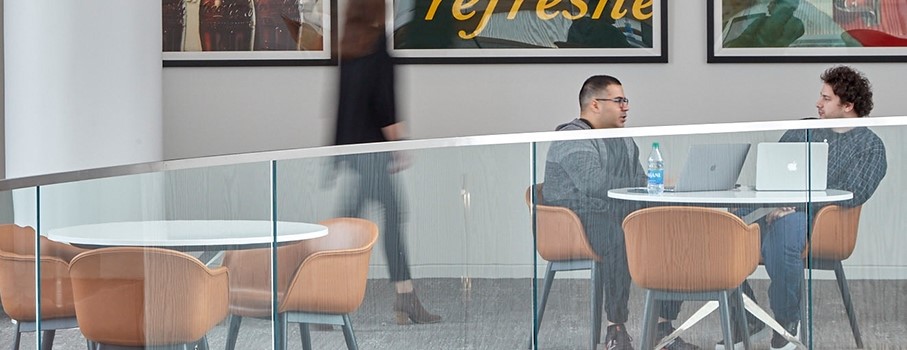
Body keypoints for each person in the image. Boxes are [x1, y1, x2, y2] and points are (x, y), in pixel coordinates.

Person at [722, 66, 887, 350]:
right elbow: (772, 173)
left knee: (788, 228)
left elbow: (853, 193)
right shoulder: (803, 129)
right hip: (778, 212)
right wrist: (775, 204)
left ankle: (786, 323)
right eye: (820, 96)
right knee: (720, 226)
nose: (817, 103)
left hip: (822, 223)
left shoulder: (870, 146)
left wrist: (793, 206)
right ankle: (748, 318)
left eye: (826, 98)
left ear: (848, 106)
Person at [543, 75, 699, 350]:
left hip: (613, 212)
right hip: (575, 219)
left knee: (672, 231)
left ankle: (663, 327)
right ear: (594, 105)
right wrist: (639, 190)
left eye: (625, 101)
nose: (626, 107)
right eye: (619, 101)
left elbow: (639, 181)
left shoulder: (624, 140)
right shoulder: (571, 136)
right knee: (617, 240)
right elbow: (593, 183)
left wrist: (659, 194)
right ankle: (615, 328)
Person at [332, 0, 441, 325]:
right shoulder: (378, 48)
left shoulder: (348, 49)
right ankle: (402, 298)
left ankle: (328, 295)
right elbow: (384, 103)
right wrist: (398, 145)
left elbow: (340, 107)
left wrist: (335, 154)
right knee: (389, 218)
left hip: (351, 152)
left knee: (351, 224)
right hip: (373, 154)